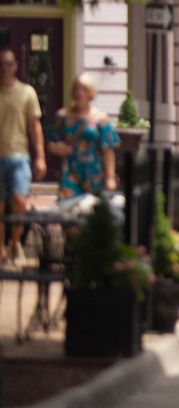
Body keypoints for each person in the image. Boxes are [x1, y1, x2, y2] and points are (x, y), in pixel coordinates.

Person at [0, 47, 47, 263]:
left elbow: (34, 125)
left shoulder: (27, 92)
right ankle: (1, 248)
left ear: (16, 66)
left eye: (8, 64)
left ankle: (16, 243)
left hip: (19, 155)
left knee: (19, 200)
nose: (4, 68)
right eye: (1, 64)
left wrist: (40, 156)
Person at [46, 73, 120, 200]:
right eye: (76, 89)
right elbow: (50, 142)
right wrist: (58, 148)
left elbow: (108, 150)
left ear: (90, 92)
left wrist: (110, 177)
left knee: (92, 212)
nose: (79, 93)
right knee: (68, 210)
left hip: (94, 173)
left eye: (83, 89)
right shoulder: (62, 116)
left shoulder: (100, 118)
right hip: (70, 171)